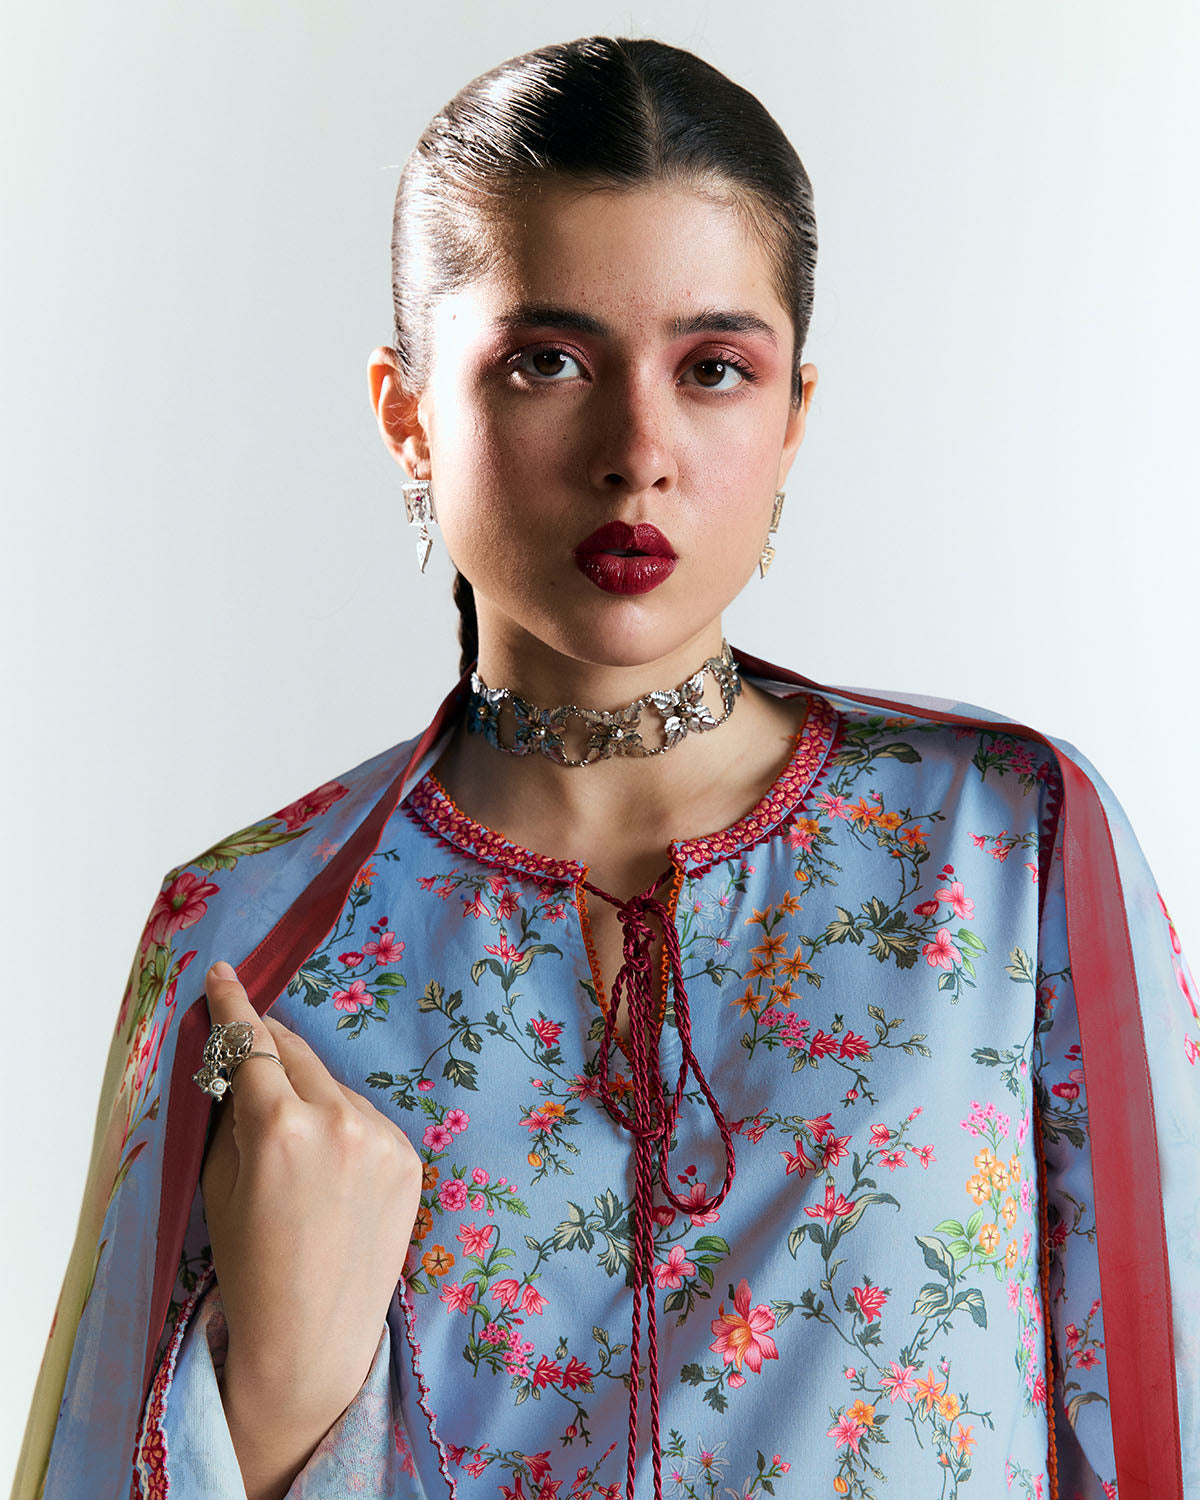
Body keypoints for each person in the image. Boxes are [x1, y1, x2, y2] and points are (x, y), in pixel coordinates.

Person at [14, 34, 1199, 1500]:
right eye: (549, 361)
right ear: (407, 414)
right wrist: (270, 1403)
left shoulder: (1008, 843)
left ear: (793, 417)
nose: (639, 451)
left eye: (713, 370)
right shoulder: (251, 939)